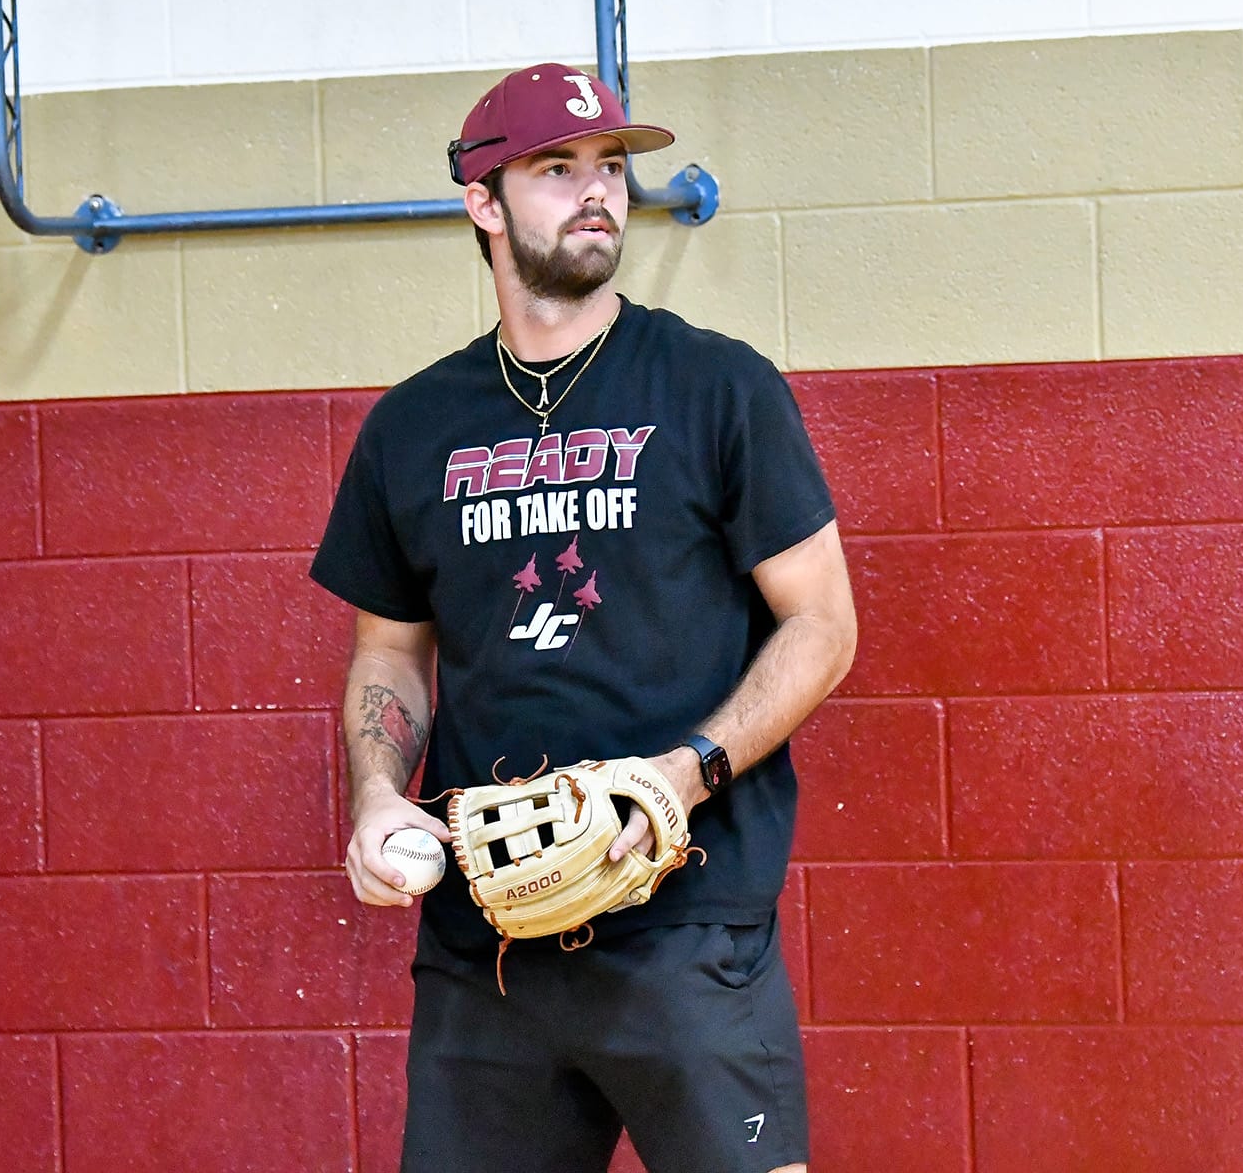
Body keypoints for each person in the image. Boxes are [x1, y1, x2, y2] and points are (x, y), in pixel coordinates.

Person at [310, 61, 856, 1173]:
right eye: (556, 170)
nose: (598, 190)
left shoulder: (717, 387)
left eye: (609, 166)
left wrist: (683, 775)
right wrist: (375, 796)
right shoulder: (412, 426)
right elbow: (389, 654)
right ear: (483, 202)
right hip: (488, 945)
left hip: (687, 929)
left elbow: (823, 626)